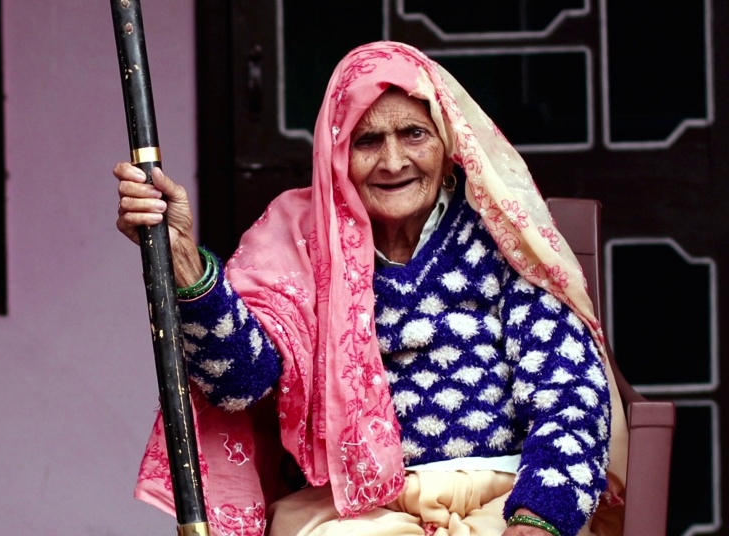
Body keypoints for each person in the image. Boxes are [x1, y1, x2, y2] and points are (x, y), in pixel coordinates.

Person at [113, 41, 628, 536]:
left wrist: (535, 519)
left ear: (447, 142)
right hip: (357, 510)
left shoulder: (499, 236)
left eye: (414, 134)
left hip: (503, 493)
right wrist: (181, 260)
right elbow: (240, 383)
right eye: (367, 141)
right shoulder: (299, 242)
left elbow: (569, 392)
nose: (394, 161)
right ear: (336, 154)